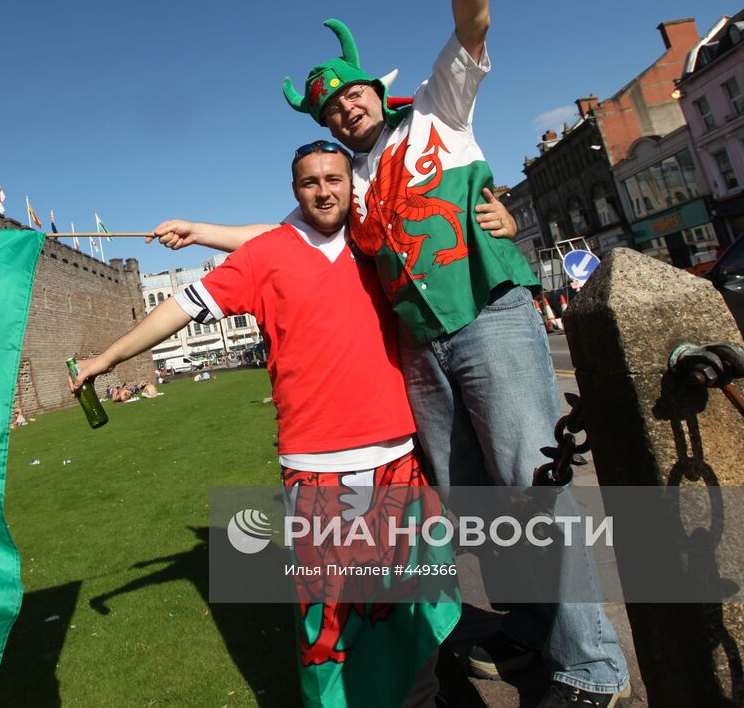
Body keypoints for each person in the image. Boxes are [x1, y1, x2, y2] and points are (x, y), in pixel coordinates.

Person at [153, 0, 630, 707]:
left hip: (487, 317)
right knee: (474, 500)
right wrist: (200, 229)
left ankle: (592, 663)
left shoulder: (440, 112)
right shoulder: (351, 181)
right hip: (420, 348)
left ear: (375, 88)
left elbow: (474, 19)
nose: (345, 109)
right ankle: (531, 625)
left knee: (531, 484)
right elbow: (277, 236)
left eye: (351, 95)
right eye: (330, 110)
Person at [72, 143, 459, 708]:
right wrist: (106, 359)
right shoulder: (265, 255)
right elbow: (179, 309)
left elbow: (448, 221)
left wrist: (497, 217)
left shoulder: (373, 238)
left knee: (413, 599)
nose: (323, 191)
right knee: (329, 619)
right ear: (294, 191)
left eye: (334, 179)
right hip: (315, 465)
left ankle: (421, 698)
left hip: (396, 454)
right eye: (309, 182)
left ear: (351, 184)